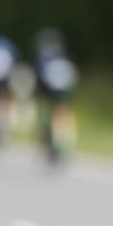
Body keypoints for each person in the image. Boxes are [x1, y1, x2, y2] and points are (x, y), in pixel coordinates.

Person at [32, 28, 79, 162]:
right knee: (62, 111)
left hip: (51, 88)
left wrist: (39, 93)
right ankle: (64, 140)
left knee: (50, 113)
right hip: (64, 88)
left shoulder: (44, 58)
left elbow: (40, 79)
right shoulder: (64, 55)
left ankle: (53, 139)